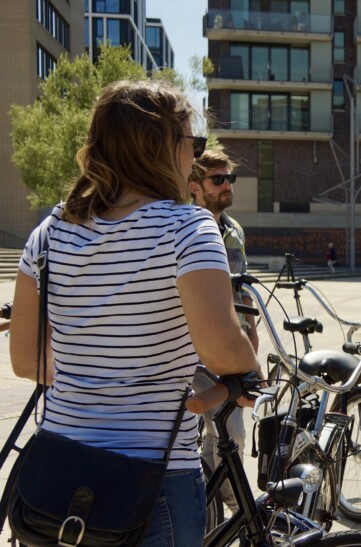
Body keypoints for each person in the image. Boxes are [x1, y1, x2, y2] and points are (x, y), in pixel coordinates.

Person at [9, 80, 259, 545]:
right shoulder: (188, 226)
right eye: (193, 144)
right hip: (151, 480)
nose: (195, 158)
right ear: (162, 149)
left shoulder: (49, 232)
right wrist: (248, 372)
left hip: (56, 476)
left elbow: (26, 362)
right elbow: (222, 348)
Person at [188, 147, 258, 513]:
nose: (227, 184)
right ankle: (238, 512)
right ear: (194, 185)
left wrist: (252, 334)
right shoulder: (184, 227)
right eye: (218, 179)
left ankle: (216, 509)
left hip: (230, 346)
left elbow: (240, 289)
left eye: (230, 177)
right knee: (225, 432)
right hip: (193, 348)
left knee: (226, 433)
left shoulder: (233, 230)